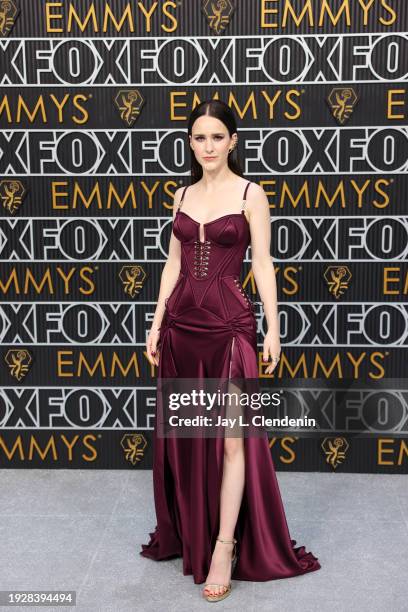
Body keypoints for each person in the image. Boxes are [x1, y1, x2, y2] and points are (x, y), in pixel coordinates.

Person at [140, 100, 321, 602]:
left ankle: (223, 545)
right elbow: (172, 265)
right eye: (199, 138)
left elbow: (262, 263)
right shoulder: (181, 193)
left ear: (233, 141)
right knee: (191, 438)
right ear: (191, 143)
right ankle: (194, 530)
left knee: (234, 440)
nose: (208, 147)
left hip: (230, 330)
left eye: (217, 137)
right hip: (181, 330)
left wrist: (273, 328)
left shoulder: (250, 194)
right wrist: (155, 325)